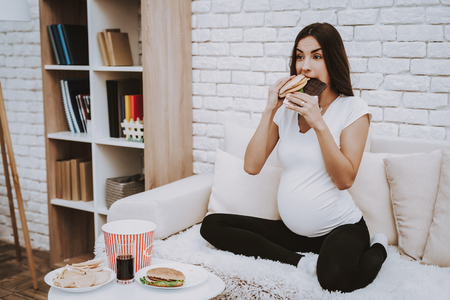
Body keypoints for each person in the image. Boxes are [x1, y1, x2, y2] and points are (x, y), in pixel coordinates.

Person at [200, 22, 388, 293]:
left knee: (335, 279)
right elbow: (251, 166)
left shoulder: (353, 109)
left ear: (333, 60)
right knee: (212, 225)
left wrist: (319, 123)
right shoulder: (287, 111)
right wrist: (269, 109)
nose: (305, 66)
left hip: (340, 227)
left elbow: (345, 179)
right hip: (293, 235)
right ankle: (298, 262)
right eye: (299, 56)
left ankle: (379, 248)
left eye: (316, 56)